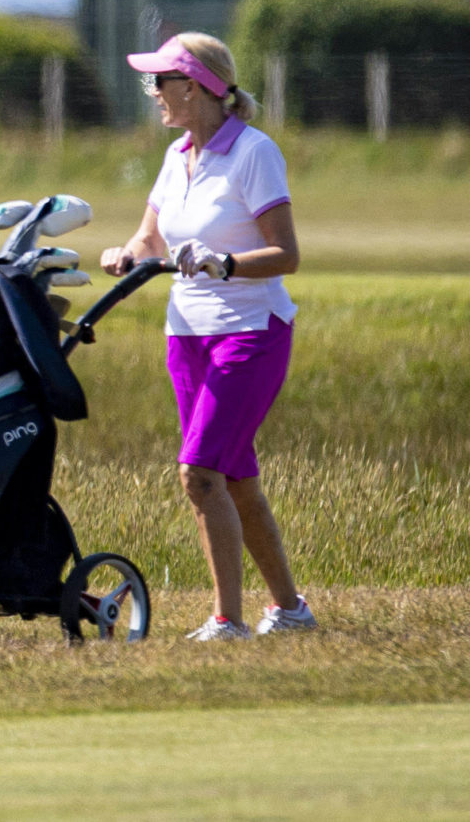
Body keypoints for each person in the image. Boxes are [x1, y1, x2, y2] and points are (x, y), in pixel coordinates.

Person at [100, 32, 313, 641]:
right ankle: (292, 611)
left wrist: (224, 263)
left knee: (199, 473)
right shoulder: (176, 157)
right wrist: (128, 251)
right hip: (186, 333)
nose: (154, 94)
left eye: (159, 83)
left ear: (194, 87)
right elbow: (152, 237)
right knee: (235, 478)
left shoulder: (254, 152)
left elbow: (286, 254)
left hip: (250, 332)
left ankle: (228, 620)